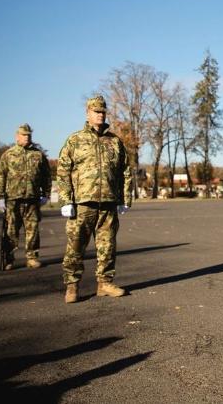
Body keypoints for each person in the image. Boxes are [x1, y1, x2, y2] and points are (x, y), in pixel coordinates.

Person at [57, 95, 133, 304]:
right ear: (88, 113)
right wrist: (65, 200)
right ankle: (72, 286)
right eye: (95, 111)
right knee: (75, 246)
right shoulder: (75, 140)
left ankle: (105, 283)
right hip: (82, 203)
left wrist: (125, 198)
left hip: (108, 202)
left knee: (107, 246)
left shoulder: (115, 141)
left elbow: (125, 171)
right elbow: (63, 171)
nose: (100, 115)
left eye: (102, 112)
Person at [0, 124, 52, 270]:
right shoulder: (8, 155)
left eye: (29, 135)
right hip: (13, 199)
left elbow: (46, 176)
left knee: (33, 230)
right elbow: (0, 176)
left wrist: (45, 194)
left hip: (32, 199)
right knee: (11, 231)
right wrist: (0, 197)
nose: (27, 137)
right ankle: (9, 259)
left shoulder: (38, 155)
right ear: (17, 136)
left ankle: (32, 257)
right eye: (24, 135)